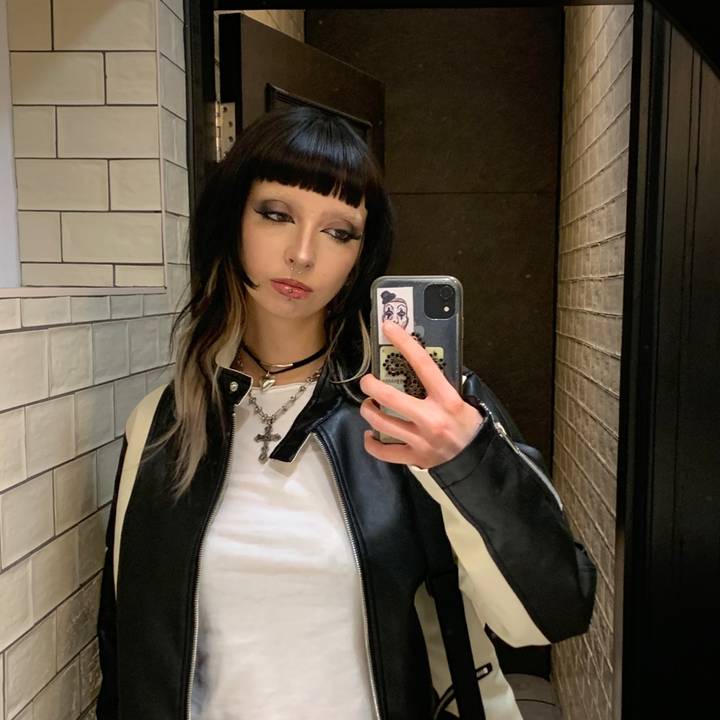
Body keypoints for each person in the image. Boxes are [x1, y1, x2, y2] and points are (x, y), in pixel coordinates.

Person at [96, 104, 596, 720]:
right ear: (231, 219)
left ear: (362, 254)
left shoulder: (425, 414)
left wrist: (468, 461)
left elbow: (550, 616)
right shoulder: (162, 423)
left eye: (339, 232)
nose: (302, 254)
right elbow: (125, 645)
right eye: (276, 214)